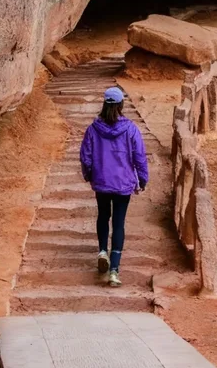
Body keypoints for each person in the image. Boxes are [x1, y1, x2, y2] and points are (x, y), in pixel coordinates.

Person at [79, 85, 149, 287]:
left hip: (102, 181)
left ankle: (102, 250)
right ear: (121, 105)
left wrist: (89, 174)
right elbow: (139, 157)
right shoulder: (130, 129)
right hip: (123, 182)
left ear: (104, 104)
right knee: (118, 223)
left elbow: (86, 156)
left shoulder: (93, 129)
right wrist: (142, 179)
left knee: (103, 215)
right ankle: (114, 271)